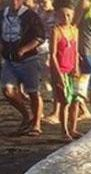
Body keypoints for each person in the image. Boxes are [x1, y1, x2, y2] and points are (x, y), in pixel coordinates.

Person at [0, 0, 46, 136]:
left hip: (28, 60)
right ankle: (27, 116)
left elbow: (39, 37)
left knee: (33, 92)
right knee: (8, 91)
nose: (14, 2)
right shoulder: (2, 15)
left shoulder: (30, 15)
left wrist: (24, 49)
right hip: (9, 60)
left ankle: (36, 124)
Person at [49, 0, 81, 141]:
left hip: (72, 71)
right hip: (60, 70)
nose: (66, 18)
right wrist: (58, 74)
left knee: (76, 100)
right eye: (63, 15)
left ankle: (73, 128)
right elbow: (53, 55)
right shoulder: (55, 31)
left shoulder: (74, 30)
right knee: (64, 102)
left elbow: (75, 51)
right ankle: (64, 131)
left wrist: (77, 67)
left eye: (69, 15)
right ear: (57, 15)